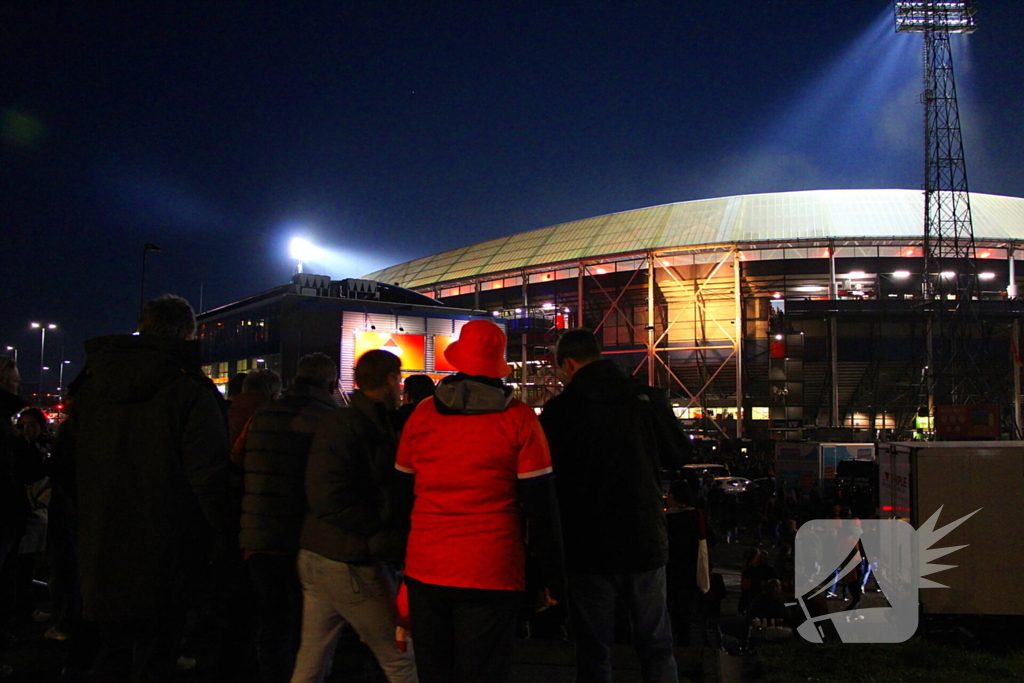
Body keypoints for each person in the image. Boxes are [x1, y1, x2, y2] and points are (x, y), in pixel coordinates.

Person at [55, 295, 237, 683]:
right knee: (156, 653)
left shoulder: (92, 386)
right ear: (188, 335)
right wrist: (223, 539)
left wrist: (86, 518)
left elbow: (65, 467)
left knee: (112, 652)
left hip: (102, 543)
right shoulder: (190, 390)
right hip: (167, 549)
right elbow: (208, 477)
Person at [395, 319, 564, 683]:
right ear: (498, 365)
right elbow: (541, 507)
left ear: (458, 361)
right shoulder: (520, 419)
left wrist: (401, 563)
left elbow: (400, 495)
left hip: (426, 567)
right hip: (493, 569)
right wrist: (550, 577)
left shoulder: (422, 414)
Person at [539, 328, 679, 683]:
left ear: (569, 364)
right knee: (656, 644)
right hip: (644, 537)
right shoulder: (644, 398)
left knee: (593, 650)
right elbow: (679, 454)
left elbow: (545, 478)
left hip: (588, 544)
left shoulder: (559, 412)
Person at [291, 349, 417, 683]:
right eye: (398, 378)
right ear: (389, 380)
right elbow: (330, 497)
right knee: (400, 656)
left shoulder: (347, 421)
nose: (400, 386)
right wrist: (378, 532)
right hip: (350, 559)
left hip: (319, 551)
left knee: (312, 659)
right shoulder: (359, 424)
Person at [240, 353, 338, 683]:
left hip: (260, 533)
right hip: (306, 537)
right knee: (307, 625)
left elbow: (237, 461)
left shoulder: (263, 414)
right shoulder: (330, 420)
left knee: (271, 621)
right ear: (331, 384)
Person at [664, 480, 709, 646]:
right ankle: (686, 639)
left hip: (671, 568)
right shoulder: (697, 516)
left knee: (669, 605)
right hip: (693, 568)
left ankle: (670, 637)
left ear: (672, 496)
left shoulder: (667, 519)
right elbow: (709, 539)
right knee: (687, 606)